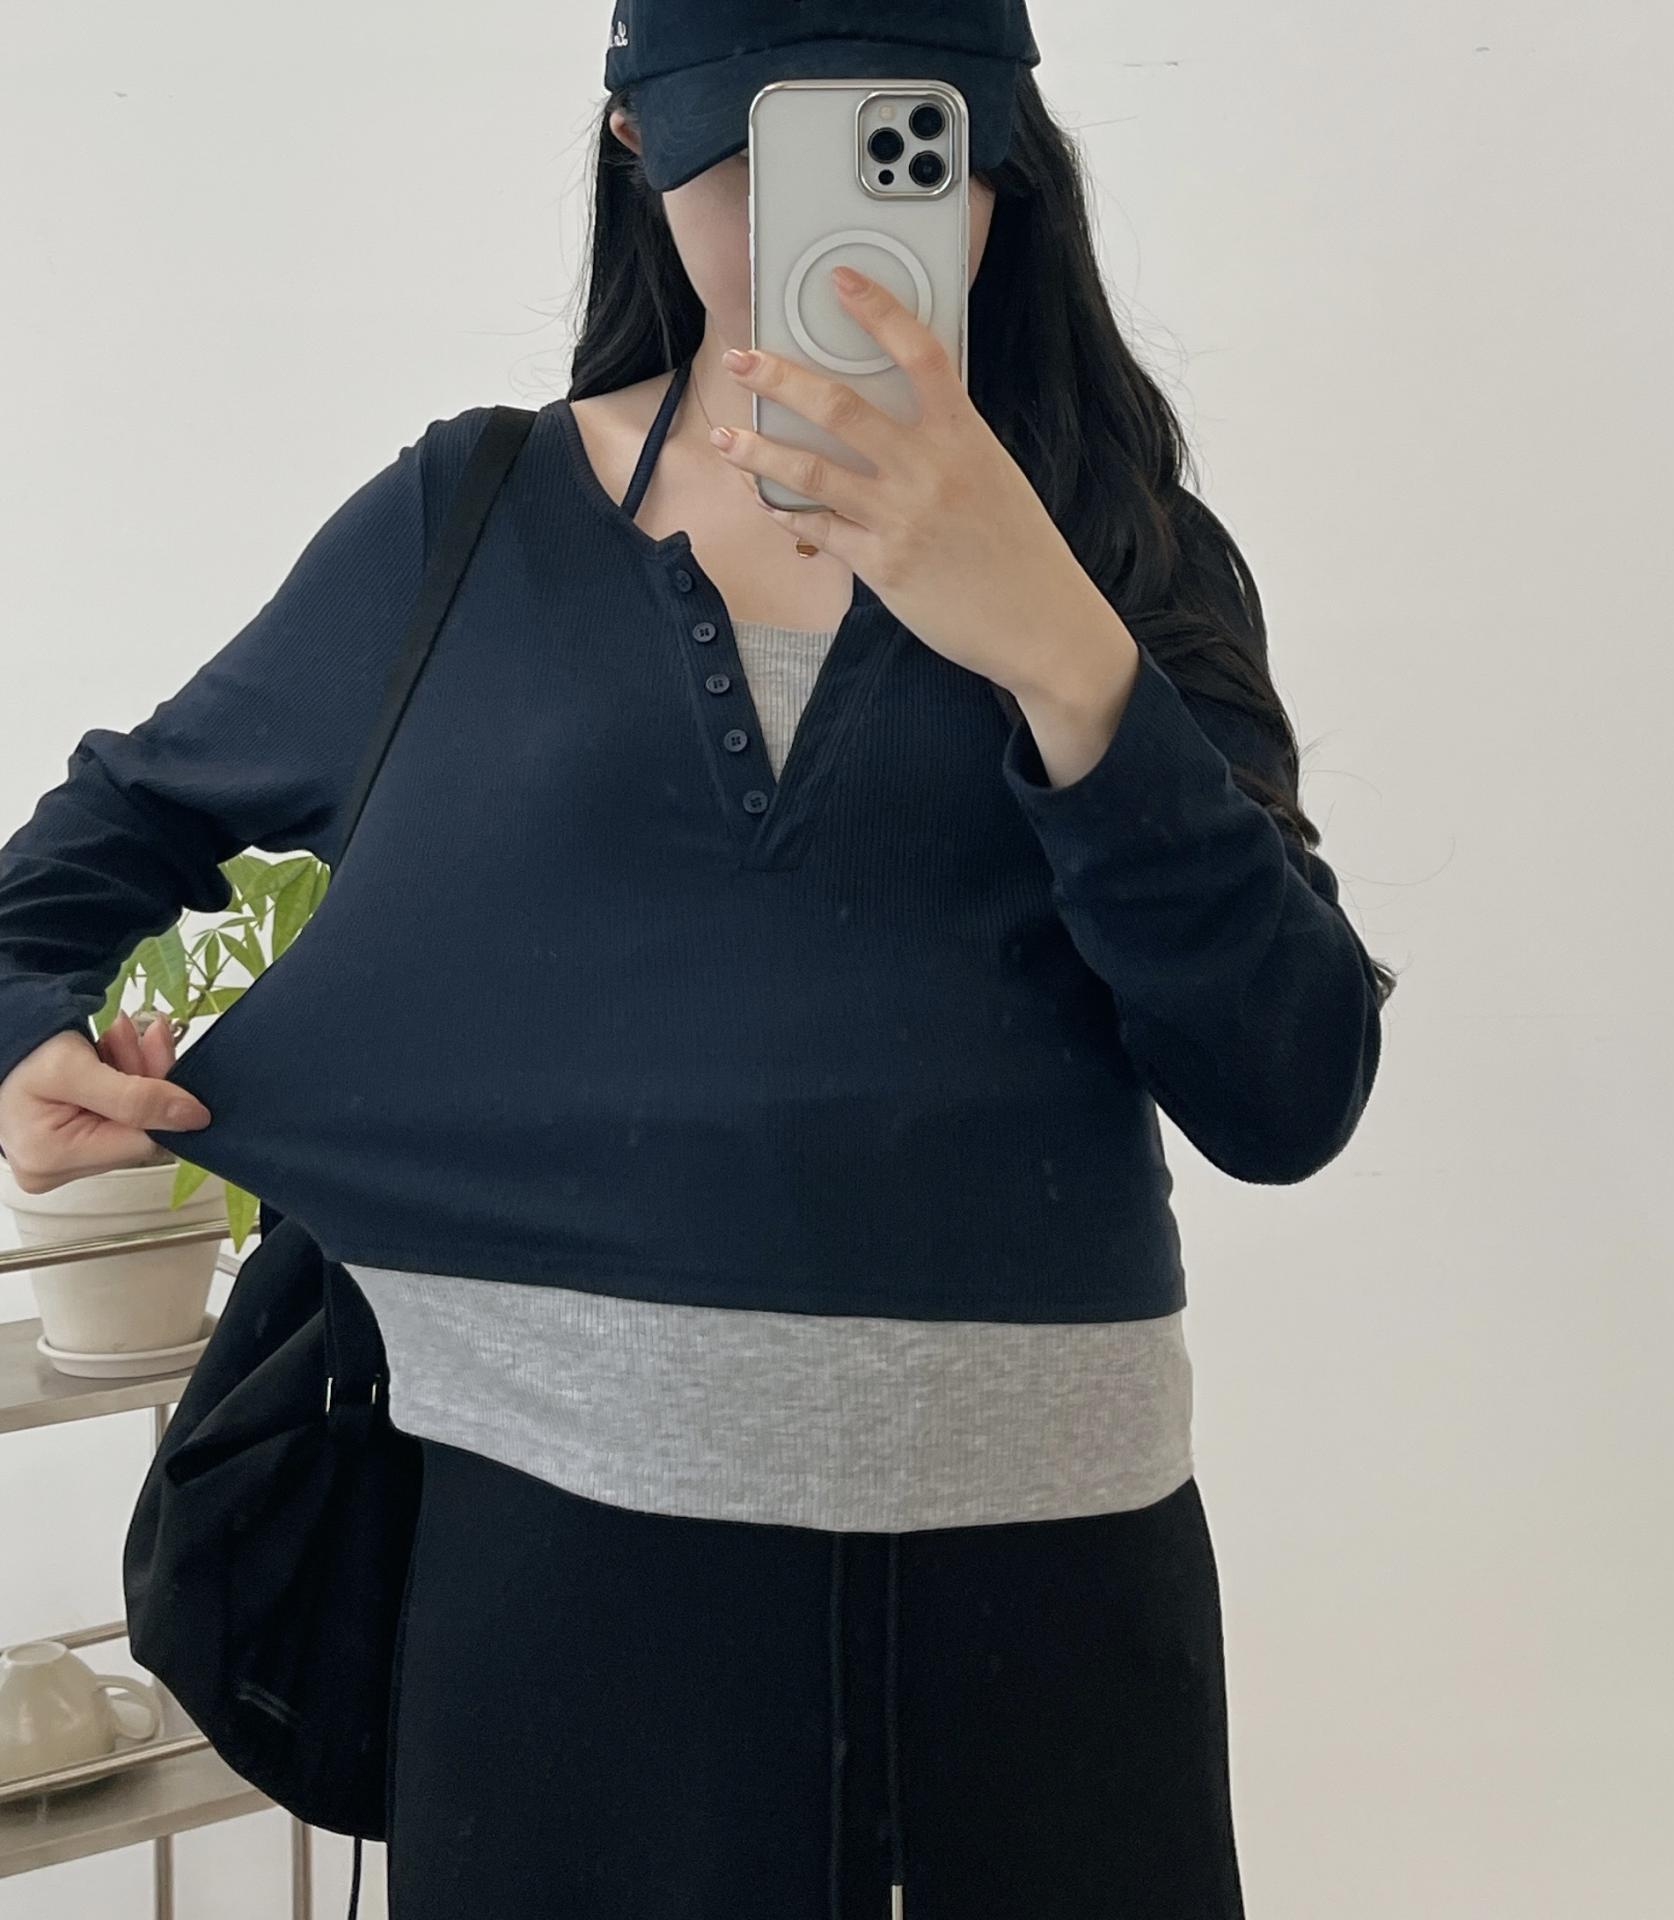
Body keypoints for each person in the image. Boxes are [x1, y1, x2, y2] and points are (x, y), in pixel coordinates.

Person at [0, 3, 1393, 1914]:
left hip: (1053, 1607)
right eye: (757, 154)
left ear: (1005, 160)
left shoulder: (1122, 553)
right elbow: (89, 851)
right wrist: (30, 1037)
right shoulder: (466, 522)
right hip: (553, 1593)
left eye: (910, 151)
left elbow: (1290, 1090)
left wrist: (1066, 658)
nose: (840, 221)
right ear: (635, 147)